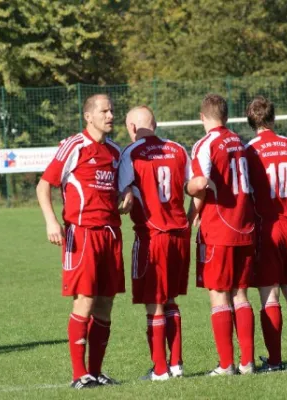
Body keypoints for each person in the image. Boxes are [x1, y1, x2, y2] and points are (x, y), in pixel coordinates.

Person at [36, 94, 125, 389]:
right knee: (84, 301)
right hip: (83, 232)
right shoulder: (75, 145)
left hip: (111, 233)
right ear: (89, 116)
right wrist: (51, 221)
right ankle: (79, 374)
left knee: (105, 304)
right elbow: (44, 185)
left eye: (111, 110)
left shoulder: (115, 151)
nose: (110, 115)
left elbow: (124, 189)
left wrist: (128, 198)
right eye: (104, 111)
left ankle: (96, 372)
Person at [118, 106, 191, 381]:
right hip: (180, 234)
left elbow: (122, 193)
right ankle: (176, 365)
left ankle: (160, 369)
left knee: (154, 302)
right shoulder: (178, 149)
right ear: (156, 124)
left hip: (153, 234)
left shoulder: (131, 152)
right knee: (171, 300)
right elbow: (194, 185)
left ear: (132, 128)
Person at [185, 94, 256, 376]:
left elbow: (200, 184)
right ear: (225, 116)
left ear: (202, 117)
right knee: (241, 294)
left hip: (219, 228)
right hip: (245, 226)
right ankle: (247, 362)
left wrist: (190, 205)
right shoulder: (239, 141)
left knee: (219, 295)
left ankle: (226, 365)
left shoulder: (205, 143)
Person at [244, 96, 287, 371]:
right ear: (274, 117)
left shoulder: (248, 150)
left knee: (268, 295)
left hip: (265, 227)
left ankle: (273, 361)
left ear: (250, 121)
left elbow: (245, 193)